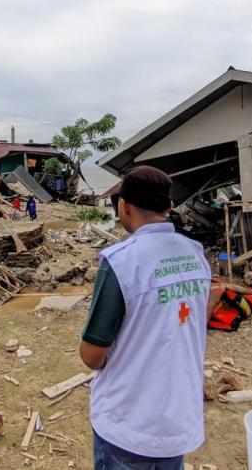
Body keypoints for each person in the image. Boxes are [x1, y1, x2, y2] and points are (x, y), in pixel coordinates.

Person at [79, 166, 211, 469]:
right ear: (169, 206)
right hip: (177, 423)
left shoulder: (121, 261)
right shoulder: (195, 253)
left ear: (124, 207)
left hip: (127, 425)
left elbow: (91, 355)